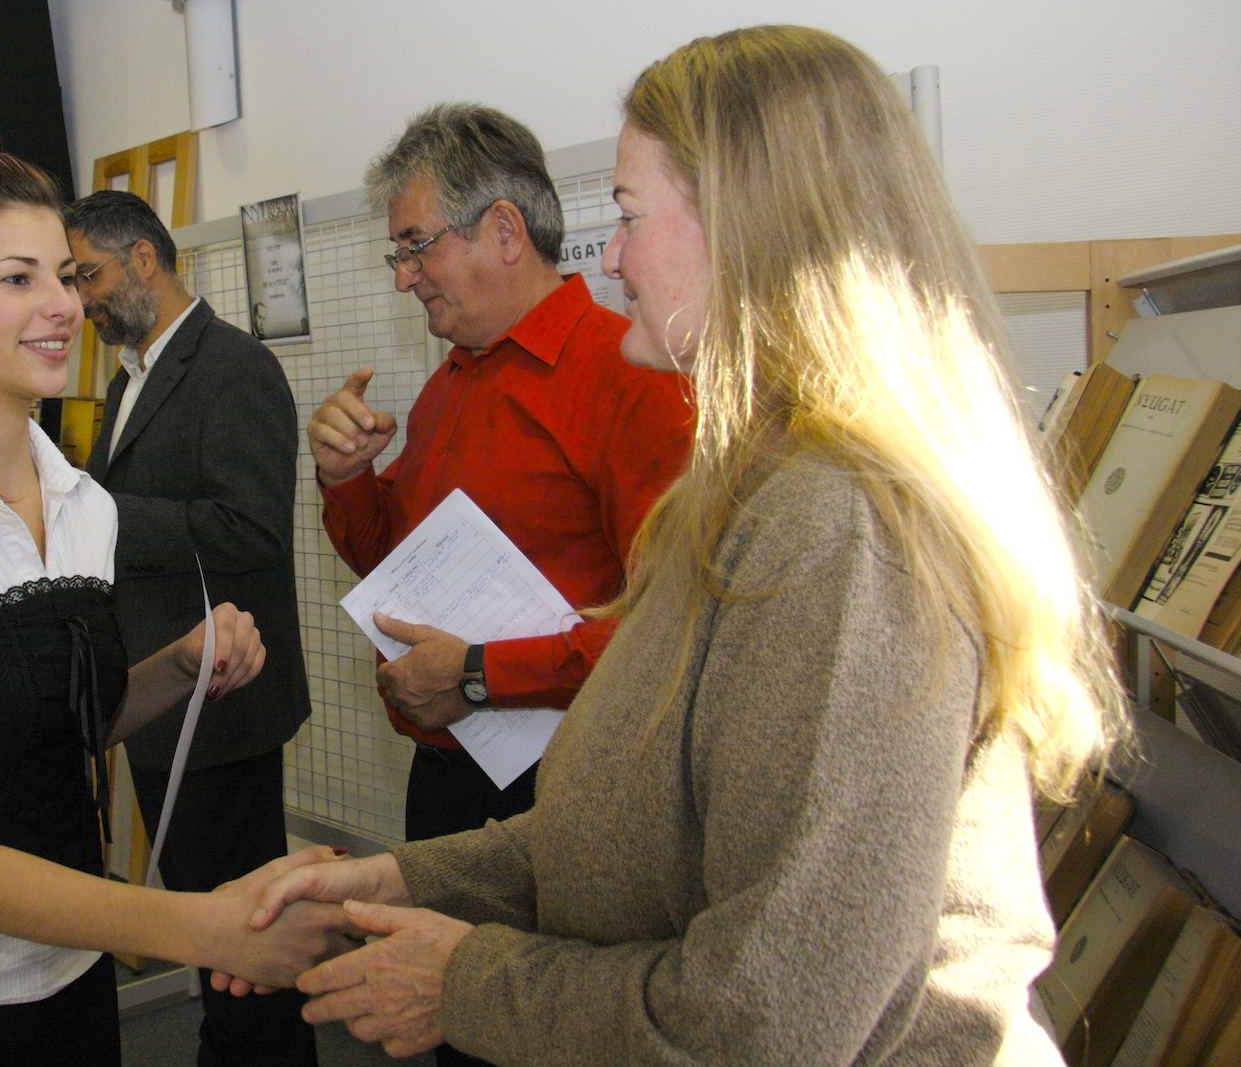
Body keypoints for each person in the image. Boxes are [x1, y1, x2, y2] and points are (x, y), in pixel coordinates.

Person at [240, 27, 1131, 1066]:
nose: (608, 256)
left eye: (627, 217)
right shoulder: (761, 483)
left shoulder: (838, 529)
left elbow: (769, 1014)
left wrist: (466, 977)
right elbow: (653, 824)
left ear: (751, 227)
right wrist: (405, 879)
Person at [0, 150, 352, 1067]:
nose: (64, 304)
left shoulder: (84, 507)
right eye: (20, 279)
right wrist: (203, 925)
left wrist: (177, 665)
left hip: (66, 970)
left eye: (65, 274)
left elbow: (66, 725)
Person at [307, 104, 692, 892]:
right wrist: (346, 478)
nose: (404, 276)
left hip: (573, 790)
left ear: (506, 231)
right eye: (398, 253)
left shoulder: (628, 378)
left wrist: (479, 673)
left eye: (416, 246)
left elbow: (671, 631)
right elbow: (390, 563)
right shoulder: (448, 384)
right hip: (446, 777)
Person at [63, 190, 316, 1067]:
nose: (81, 299)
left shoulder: (236, 366)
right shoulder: (130, 376)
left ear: (144, 258)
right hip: (159, 698)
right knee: (212, 926)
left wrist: (100, 512)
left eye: (88, 275)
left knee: (246, 939)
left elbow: (250, 529)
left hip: (224, 705)